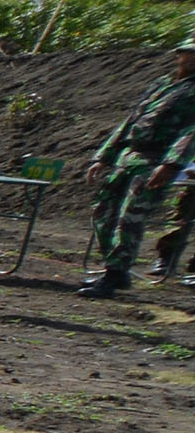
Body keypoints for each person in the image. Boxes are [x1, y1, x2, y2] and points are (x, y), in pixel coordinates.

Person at [82, 34, 195, 298]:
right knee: (102, 210)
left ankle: (114, 274)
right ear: (179, 54)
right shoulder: (162, 84)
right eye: (188, 52)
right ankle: (116, 268)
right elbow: (131, 120)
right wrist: (104, 156)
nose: (191, 58)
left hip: (156, 160)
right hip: (129, 156)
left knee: (129, 217)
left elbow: (191, 131)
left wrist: (171, 163)